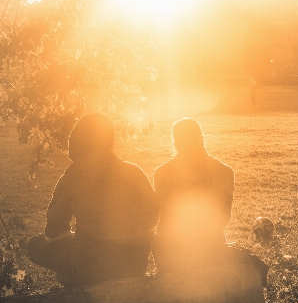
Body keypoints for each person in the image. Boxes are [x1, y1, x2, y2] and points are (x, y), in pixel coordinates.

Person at [27, 113, 159, 286]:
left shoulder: (73, 175)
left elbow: (54, 232)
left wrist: (78, 239)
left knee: (35, 245)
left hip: (91, 267)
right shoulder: (134, 172)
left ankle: (72, 276)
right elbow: (152, 218)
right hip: (134, 265)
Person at [153, 118, 268, 285]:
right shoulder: (225, 172)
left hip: (170, 253)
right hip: (208, 250)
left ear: (175, 143)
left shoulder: (161, 173)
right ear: (201, 139)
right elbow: (223, 219)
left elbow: (161, 219)